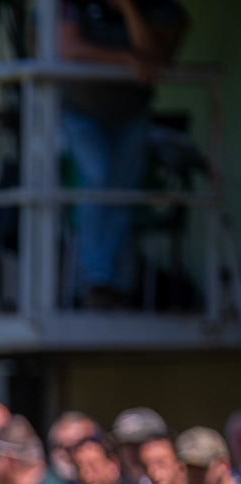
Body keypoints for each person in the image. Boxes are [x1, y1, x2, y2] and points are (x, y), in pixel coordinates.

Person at [58, 0, 190, 309]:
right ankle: (97, 280)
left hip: (132, 111)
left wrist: (130, 8)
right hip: (81, 110)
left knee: (122, 188)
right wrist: (126, 58)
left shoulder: (156, 7)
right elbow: (65, 46)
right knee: (99, 177)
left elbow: (153, 53)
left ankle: (117, 284)